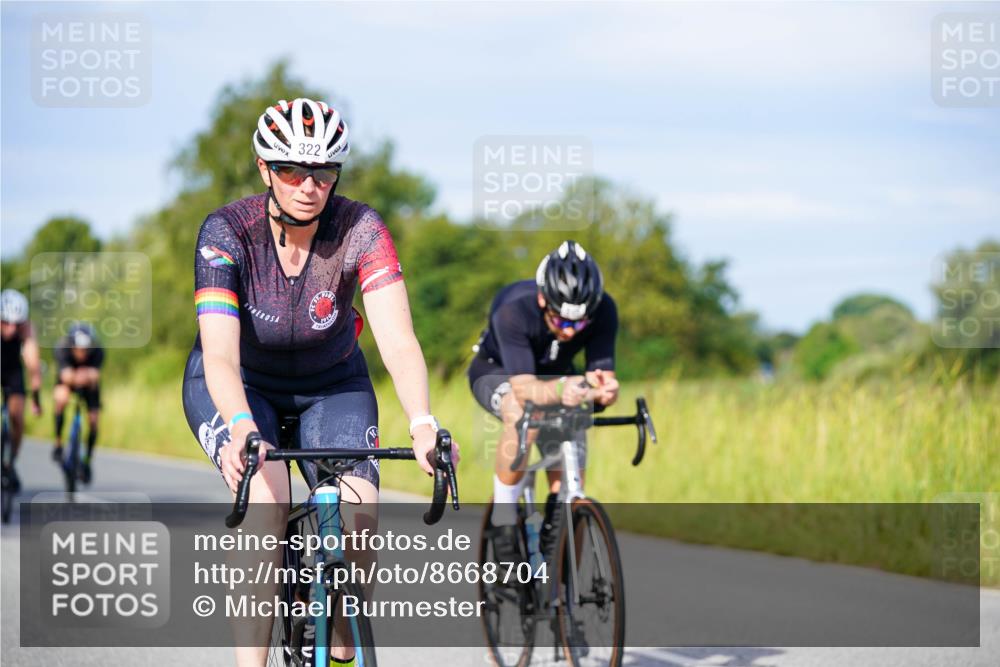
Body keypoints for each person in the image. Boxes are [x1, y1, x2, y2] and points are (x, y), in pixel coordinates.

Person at [181, 97, 454, 667]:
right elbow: (221, 358)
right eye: (292, 171)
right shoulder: (226, 232)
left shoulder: (360, 229)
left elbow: (398, 341)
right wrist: (239, 429)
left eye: (324, 172)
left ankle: (339, 638)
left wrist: (423, 422)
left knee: (360, 511)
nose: (309, 186)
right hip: (240, 383)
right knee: (266, 498)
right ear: (265, 170)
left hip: (332, 384)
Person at [467, 240, 619, 559]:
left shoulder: (604, 310)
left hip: (556, 376)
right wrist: (567, 389)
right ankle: (504, 519)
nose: (570, 331)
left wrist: (605, 391)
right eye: (562, 321)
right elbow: (524, 389)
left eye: (580, 324)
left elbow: (601, 376)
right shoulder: (513, 308)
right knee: (524, 413)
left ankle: (559, 543)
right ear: (542, 299)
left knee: (572, 431)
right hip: (498, 372)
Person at [51, 322, 104, 484]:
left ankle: (87, 459)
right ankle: (58, 442)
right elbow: (66, 376)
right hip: (69, 381)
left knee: (94, 420)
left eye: (86, 350)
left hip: (89, 386)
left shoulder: (98, 352)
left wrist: (86, 376)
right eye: (79, 349)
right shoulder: (62, 348)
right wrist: (83, 375)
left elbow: (96, 376)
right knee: (61, 398)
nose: (82, 353)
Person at [0, 289, 43, 492]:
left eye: (16, 324)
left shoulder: (26, 329)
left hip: (13, 371)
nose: (10, 329)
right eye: (5, 322)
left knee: (17, 417)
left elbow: (33, 365)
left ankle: (10, 462)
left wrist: (36, 398)